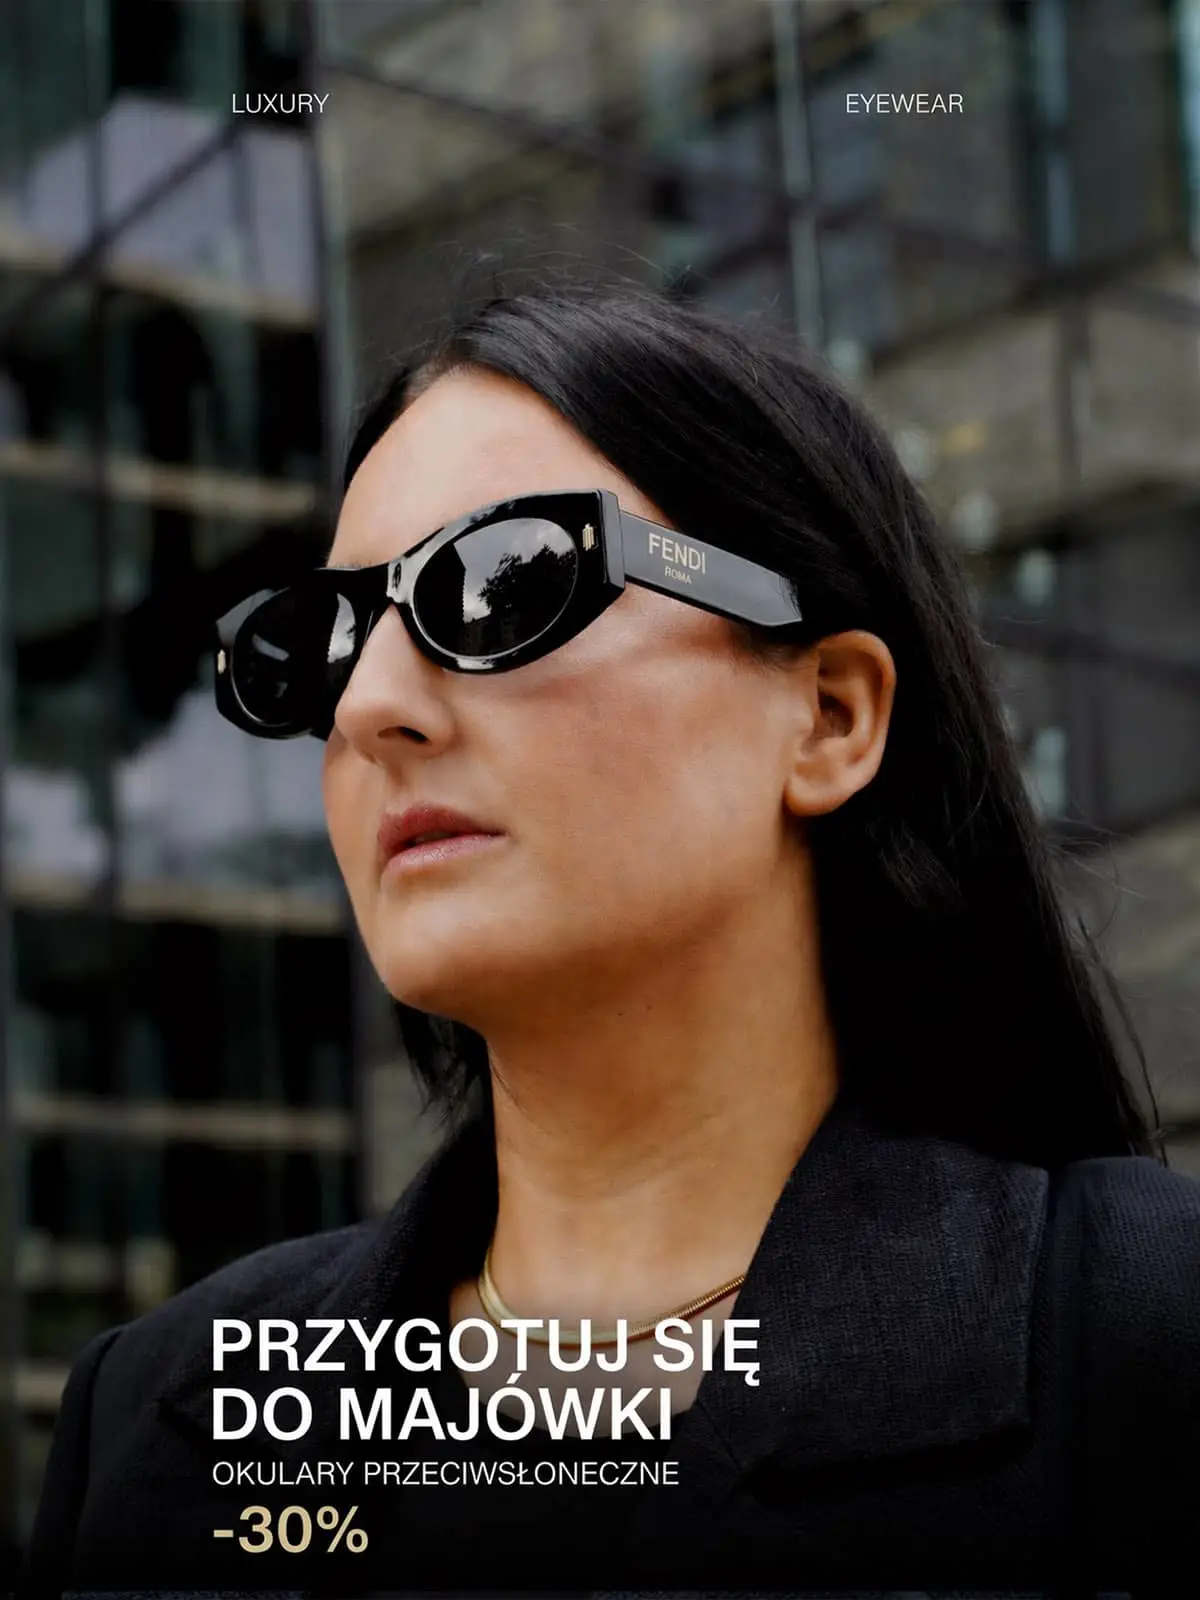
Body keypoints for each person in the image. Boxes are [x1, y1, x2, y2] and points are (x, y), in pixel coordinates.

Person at [22, 281, 1200, 1597]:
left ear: (829, 716)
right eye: (329, 641)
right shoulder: (156, 1426)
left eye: (501, 583)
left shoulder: (1141, 1340)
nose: (368, 706)